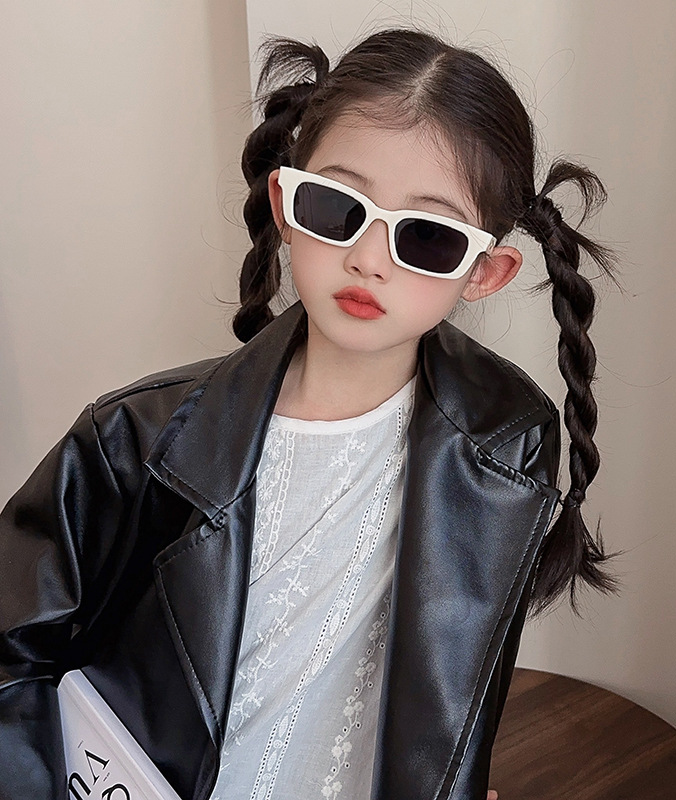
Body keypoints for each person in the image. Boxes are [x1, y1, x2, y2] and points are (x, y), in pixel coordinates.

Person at [0, 26, 620, 800]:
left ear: (485, 272)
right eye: (337, 207)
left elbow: (456, 688)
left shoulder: (507, 442)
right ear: (286, 204)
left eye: (427, 237)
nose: (369, 258)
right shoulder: (134, 441)